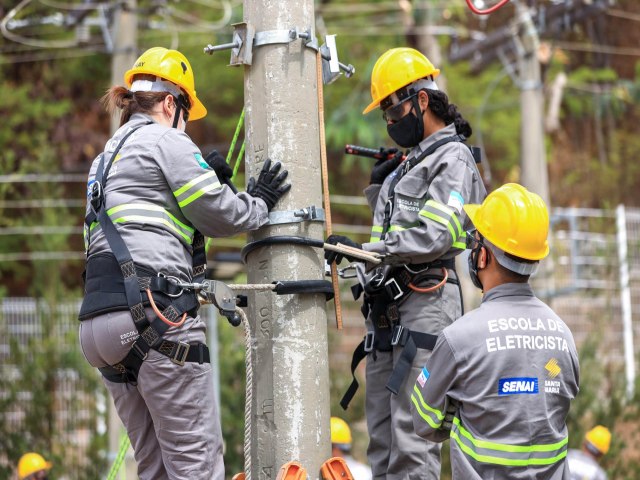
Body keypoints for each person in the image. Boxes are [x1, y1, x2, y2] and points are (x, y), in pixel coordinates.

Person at [78, 47, 290, 480]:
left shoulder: (102, 161)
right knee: (196, 463)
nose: (187, 127)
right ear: (171, 103)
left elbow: (134, 232)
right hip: (154, 317)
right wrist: (258, 203)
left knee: (154, 466)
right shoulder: (167, 139)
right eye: (187, 115)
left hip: (100, 327)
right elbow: (217, 212)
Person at [324, 47, 486, 479]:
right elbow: (389, 241)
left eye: (394, 111)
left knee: (413, 440)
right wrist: (378, 193)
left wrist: (365, 251)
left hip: (426, 308)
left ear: (421, 100)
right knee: (382, 441)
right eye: (385, 116)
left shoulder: (453, 159)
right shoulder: (404, 169)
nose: (391, 123)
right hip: (387, 313)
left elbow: (440, 234)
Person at [410, 183, 580, 479]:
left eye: (476, 241)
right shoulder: (563, 335)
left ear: (483, 256)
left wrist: (466, 406)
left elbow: (425, 421)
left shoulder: (460, 338)